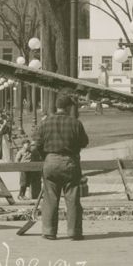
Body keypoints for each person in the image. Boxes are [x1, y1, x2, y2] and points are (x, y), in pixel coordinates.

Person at [32, 95, 89, 240]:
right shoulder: (75, 123)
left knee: (50, 198)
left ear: (56, 106)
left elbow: (37, 144)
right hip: (70, 162)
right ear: (69, 107)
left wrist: (46, 156)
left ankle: (49, 231)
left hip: (50, 161)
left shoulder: (45, 123)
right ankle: (74, 232)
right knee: (72, 198)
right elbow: (84, 142)